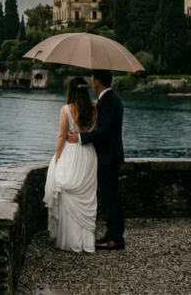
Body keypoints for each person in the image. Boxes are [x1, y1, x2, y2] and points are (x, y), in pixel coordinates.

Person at [68, 69, 125, 250]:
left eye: (93, 78)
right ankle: (112, 234)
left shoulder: (108, 102)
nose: (92, 82)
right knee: (110, 196)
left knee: (110, 197)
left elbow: (104, 131)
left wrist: (81, 137)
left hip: (108, 156)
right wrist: (97, 106)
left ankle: (115, 237)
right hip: (110, 155)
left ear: (96, 80)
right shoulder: (109, 100)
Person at [44, 76, 98, 252]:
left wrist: (57, 156)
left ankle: (69, 240)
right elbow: (95, 132)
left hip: (71, 153)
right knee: (85, 194)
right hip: (88, 154)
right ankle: (85, 242)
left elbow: (62, 135)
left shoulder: (66, 109)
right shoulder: (94, 110)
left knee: (68, 193)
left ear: (71, 91)